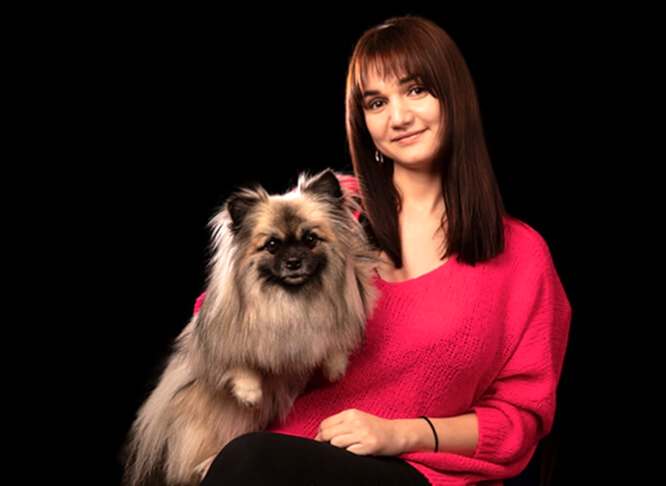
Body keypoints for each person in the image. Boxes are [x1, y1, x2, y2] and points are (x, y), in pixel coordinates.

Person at [200, 15, 571, 486]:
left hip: (412, 471)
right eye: (377, 102)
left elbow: (518, 419)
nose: (398, 117)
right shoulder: (328, 217)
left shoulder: (521, 255)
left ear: (454, 98)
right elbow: (219, 324)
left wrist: (399, 433)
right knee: (245, 459)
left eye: (416, 90)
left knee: (252, 461)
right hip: (282, 457)